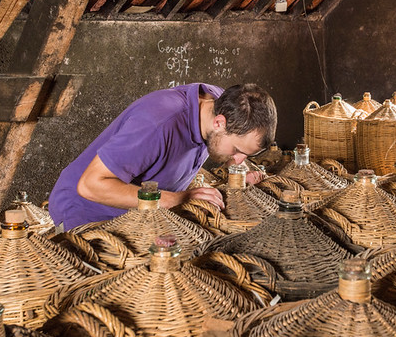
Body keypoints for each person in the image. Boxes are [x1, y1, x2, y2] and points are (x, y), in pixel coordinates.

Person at [48, 82, 277, 230]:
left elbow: (232, 143)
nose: (239, 161)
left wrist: (238, 178)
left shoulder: (219, 104)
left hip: (140, 216)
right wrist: (178, 199)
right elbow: (90, 185)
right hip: (86, 216)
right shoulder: (157, 124)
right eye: (237, 152)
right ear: (219, 123)